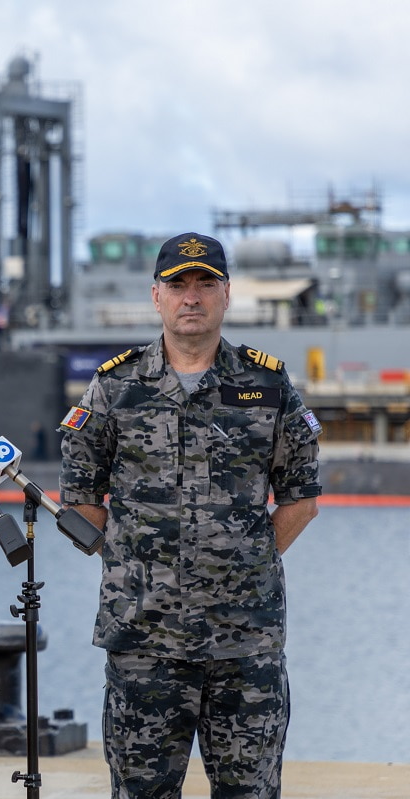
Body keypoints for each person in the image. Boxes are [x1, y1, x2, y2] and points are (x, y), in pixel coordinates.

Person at [58, 232, 322, 798]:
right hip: (143, 643)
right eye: (178, 285)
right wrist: (138, 563)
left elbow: (301, 498)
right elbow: (81, 498)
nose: (192, 297)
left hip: (245, 643)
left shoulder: (267, 384)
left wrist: (243, 561)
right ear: (157, 296)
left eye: (206, 284)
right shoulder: (114, 387)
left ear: (226, 295)